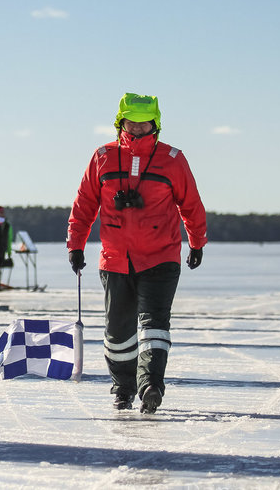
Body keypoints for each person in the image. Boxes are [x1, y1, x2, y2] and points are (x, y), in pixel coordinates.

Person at [67, 93, 207, 414]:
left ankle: (151, 385)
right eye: (132, 121)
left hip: (161, 258)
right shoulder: (102, 156)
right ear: (121, 122)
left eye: (145, 122)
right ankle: (123, 386)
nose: (138, 127)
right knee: (118, 334)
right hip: (115, 260)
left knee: (154, 325)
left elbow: (191, 205)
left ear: (155, 124)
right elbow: (85, 203)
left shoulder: (172, 158)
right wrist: (76, 244)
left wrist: (197, 242)